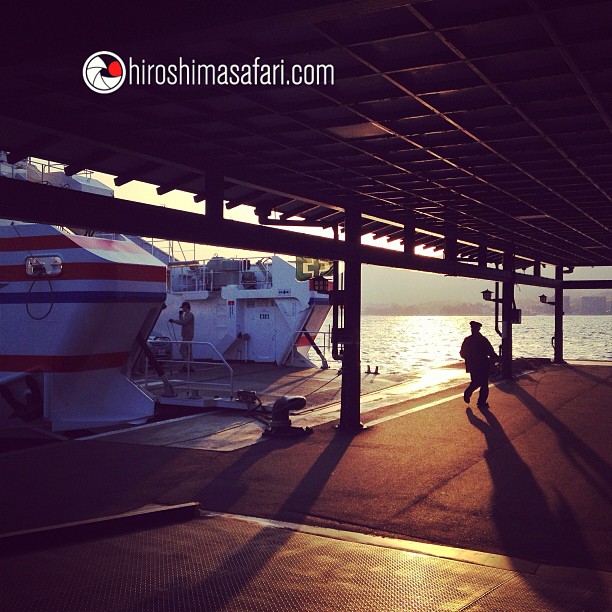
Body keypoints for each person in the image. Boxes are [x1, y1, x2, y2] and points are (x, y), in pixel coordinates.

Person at [460, 320, 498, 409]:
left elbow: (462, 353)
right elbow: (490, 351)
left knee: (477, 382)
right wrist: (496, 358)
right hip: (483, 365)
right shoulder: (483, 340)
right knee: (483, 383)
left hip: (473, 365)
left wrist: (468, 359)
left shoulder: (468, 340)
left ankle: (472, 395)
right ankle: (479, 400)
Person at [169, 301, 195, 372]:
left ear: (186, 306)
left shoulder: (190, 314)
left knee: (182, 350)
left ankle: (187, 366)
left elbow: (183, 323)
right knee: (188, 351)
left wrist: (173, 321)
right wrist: (180, 315)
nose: (182, 309)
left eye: (183, 307)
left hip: (188, 336)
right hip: (187, 335)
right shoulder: (187, 315)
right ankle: (190, 366)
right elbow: (183, 322)